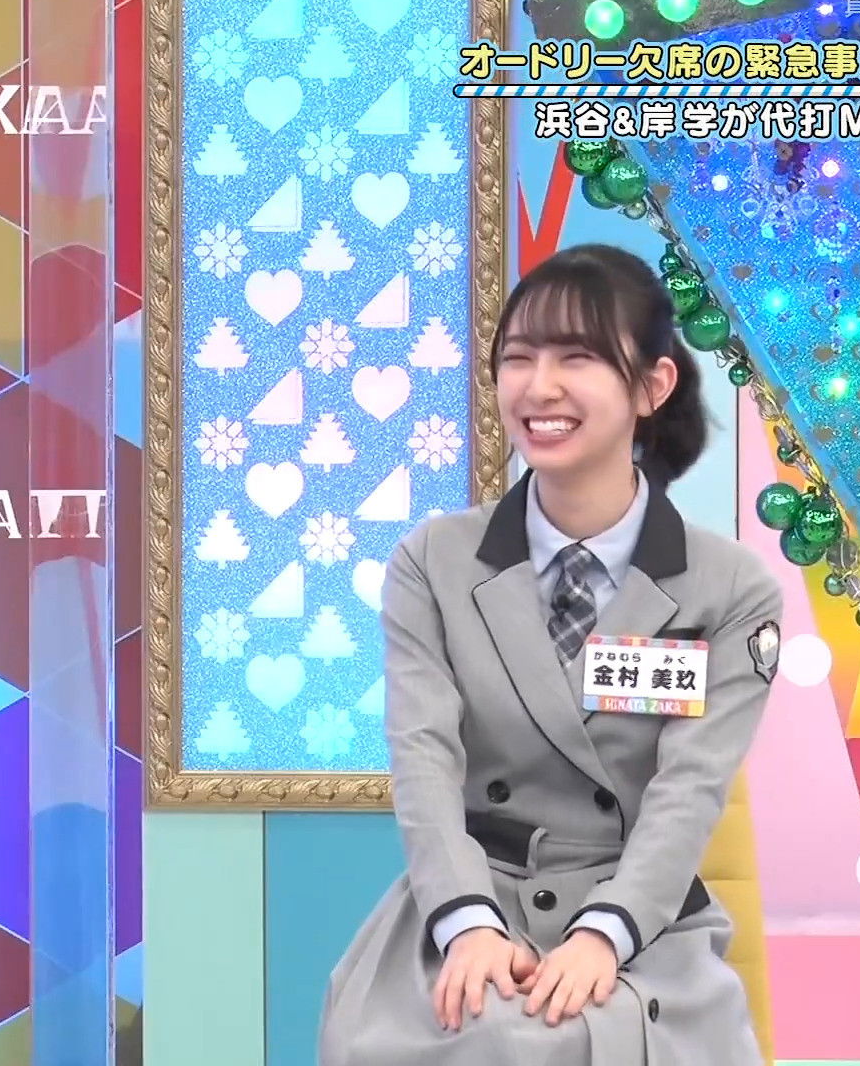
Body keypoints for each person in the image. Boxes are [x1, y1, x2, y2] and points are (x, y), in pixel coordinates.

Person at [317, 244, 782, 1065]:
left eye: (578, 357)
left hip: (643, 921)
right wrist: (468, 925)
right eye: (519, 358)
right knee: (474, 1032)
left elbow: (689, 791)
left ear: (653, 386)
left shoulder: (730, 588)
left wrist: (604, 934)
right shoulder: (433, 563)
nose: (540, 387)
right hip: (469, 903)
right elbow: (423, 759)